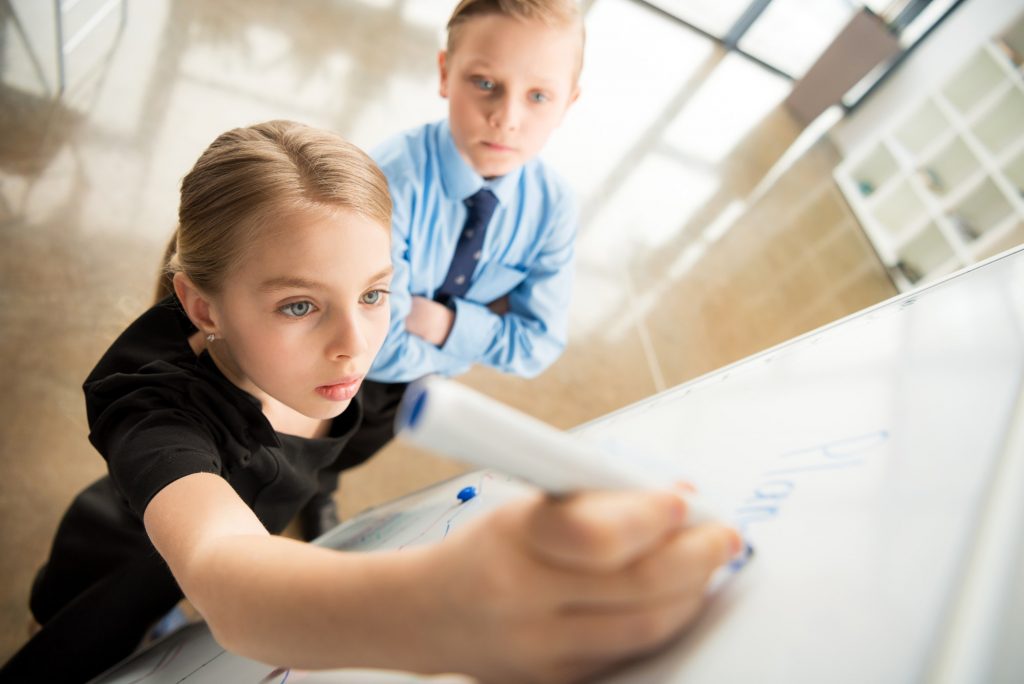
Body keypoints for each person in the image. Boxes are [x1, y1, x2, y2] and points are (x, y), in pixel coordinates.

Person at [0, 120, 741, 683]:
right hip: (115, 574)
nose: (356, 344)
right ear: (202, 306)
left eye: (377, 292)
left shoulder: (371, 370)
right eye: (299, 306)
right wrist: (439, 607)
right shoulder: (154, 406)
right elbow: (224, 569)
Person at [306, 0, 587, 535]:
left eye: (538, 96)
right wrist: (484, 326)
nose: (507, 116)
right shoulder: (393, 179)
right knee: (290, 445)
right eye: (485, 83)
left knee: (352, 448)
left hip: (419, 378)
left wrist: (442, 322)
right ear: (444, 74)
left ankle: (320, 484)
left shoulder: (552, 208)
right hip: (337, 356)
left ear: (569, 101)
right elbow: (377, 344)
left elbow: (539, 345)